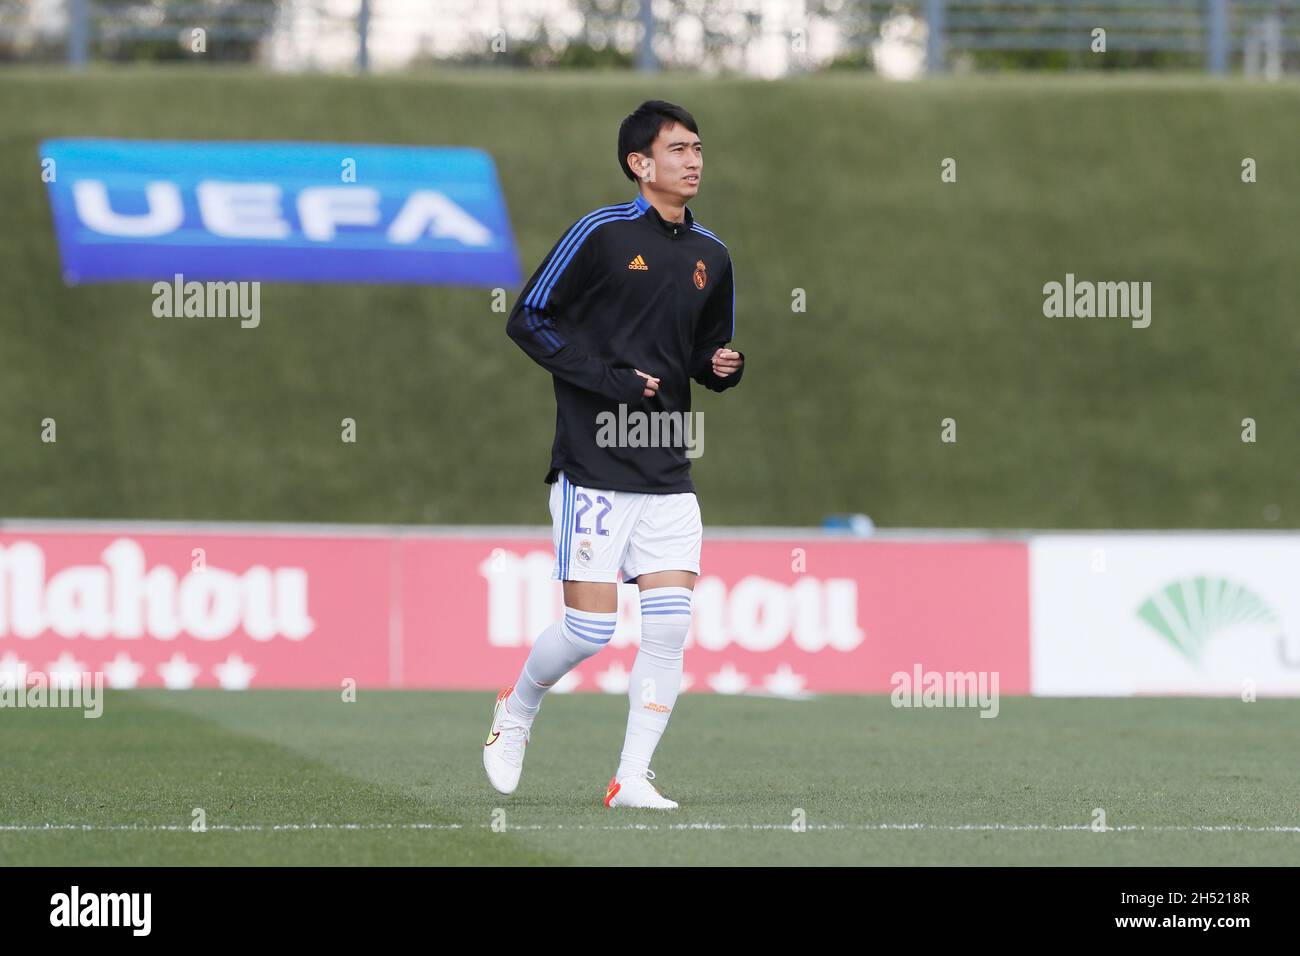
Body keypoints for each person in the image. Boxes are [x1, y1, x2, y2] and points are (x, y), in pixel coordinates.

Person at [487, 99, 745, 809]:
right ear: (640, 163)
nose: (693, 160)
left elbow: (702, 351)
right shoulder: (600, 234)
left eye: (698, 148)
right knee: (589, 630)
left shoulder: (713, 254)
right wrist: (610, 380)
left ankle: (631, 777)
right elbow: (527, 319)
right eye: (678, 148)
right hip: (594, 462)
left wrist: (721, 367)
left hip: (667, 466)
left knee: (669, 629)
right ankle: (517, 707)